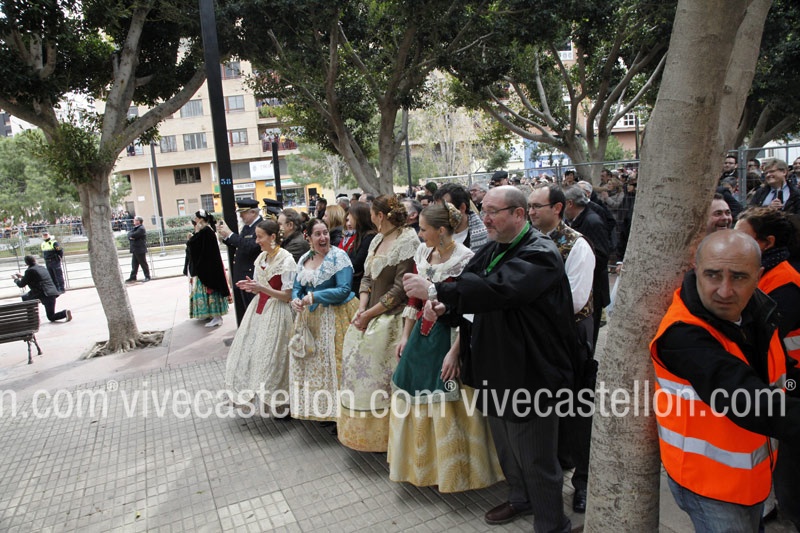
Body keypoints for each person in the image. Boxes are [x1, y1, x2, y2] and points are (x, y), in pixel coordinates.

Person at [404, 186, 579, 532]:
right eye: (482, 210)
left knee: (536, 456)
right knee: (507, 448)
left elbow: (501, 289)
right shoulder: (493, 248)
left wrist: (437, 290)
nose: (484, 219)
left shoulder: (540, 252)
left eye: (493, 212)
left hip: (530, 372)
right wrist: (446, 308)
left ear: (518, 213)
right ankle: (520, 497)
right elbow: (473, 291)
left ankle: (551, 523)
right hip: (494, 366)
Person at [651, 230, 800, 533]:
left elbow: (779, 376)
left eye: (739, 277)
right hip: (711, 487)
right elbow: (745, 398)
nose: (725, 290)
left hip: (750, 477)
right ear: (696, 270)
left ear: (758, 275)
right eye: (713, 275)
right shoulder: (683, 334)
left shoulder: (758, 310)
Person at [389, 202, 504, 492]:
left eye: (423, 229)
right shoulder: (422, 253)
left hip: (453, 336)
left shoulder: (466, 259)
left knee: (454, 401)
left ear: (441, 230)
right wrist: (405, 335)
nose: (419, 234)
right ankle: (424, 466)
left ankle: (459, 471)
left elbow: (469, 309)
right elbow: (413, 299)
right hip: (422, 336)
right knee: (415, 395)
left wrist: (456, 352)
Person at [528, 184, 596, 513]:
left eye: (536, 206)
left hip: (572, 335)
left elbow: (576, 299)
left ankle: (584, 482)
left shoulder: (577, 245)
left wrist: (528, 307)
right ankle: (559, 461)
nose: (530, 212)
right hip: (540, 335)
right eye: (528, 206)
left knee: (577, 408)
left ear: (557, 208)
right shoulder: (528, 241)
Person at [735, 207, 800, 529]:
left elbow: (760, 338)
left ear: (767, 242)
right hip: (778, 380)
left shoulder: (785, 284)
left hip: (792, 383)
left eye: (742, 236)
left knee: (788, 463)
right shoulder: (762, 275)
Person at [339, 195, 417, 452]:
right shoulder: (377, 239)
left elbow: (400, 290)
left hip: (394, 318)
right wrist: (361, 309)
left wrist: (370, 314)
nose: (371, 217)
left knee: (385, 382)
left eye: (373, 213)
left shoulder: (407, 241)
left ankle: (394, 438)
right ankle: (367, 435)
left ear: (380, 216)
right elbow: (366, 278)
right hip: (370, 314)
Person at [289, 219, 360, 421]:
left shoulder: (339, 256)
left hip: (337, 315)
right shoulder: (304, 259)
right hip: (311, 319)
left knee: (338, 365)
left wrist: (315, 296)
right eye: (318, 234)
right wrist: (296, 300)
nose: (323, 238)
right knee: (315, 365)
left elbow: (344, 289)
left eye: (326, 233)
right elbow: (297, 287)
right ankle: (324, 410)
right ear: (308, 237)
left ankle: (343, 414)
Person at [225, 219, 296, 416]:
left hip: (278, 312)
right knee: (251, 352)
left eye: (259, 237)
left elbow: (288, 296)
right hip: (258, 310)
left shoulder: (287, 260)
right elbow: (259, 287)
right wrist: (252, 287)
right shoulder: (261, 258)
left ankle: (282, 403)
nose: (256, 241)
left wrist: (261, 288)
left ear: (272, 237)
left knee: (274, 357)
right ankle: (258, 397)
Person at [565, 185, 610, 352]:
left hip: (593, 287)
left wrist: (581, 262)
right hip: (586, 285)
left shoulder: (592, 221)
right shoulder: (577, 220)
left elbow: (602, 255)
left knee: (590, 336)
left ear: (570, 203)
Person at [218, 199, 263, 317]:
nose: (241, 216)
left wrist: (230, 234)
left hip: (250, 276)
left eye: (243, 212)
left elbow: (251, 246)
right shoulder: (247, 227)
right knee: (245, 311)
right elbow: (241, 244)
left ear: (253, 212)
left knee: (252, 312)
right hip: (243, 276)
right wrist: (225, 237)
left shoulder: (260, 226)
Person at [186, 210, 231, 327]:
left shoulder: (206, 231)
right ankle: (212, 315)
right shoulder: (207, 231)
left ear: (201, 219)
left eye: (196, 218)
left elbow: (195, 246)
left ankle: (217, 317)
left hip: (209, 270)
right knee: (209, 291)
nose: (195, 221)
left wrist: (192, 237)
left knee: (212, 292)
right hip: (208, 268)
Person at [13, 255, 72, 322]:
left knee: (25, 298)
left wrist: (16, 279)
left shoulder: (29, 271)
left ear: (26, 263)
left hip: (43, 294)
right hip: (52, 293)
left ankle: (32, 318)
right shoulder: (42, 268)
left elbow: (21, 284)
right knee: (51, 316)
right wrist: (22, 276)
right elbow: (37, 278)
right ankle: (65, 313)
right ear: (35, 260)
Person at [433, 183, 488, 251]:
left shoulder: (486, 239)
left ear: (462, 208)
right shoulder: (436, 233)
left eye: (444, 209)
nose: (439, 215)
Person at [338, 201, 377, 291]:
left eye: (351, 217)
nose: (348, 222)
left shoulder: (369, 237)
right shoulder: (359, 235)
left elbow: (357, 263)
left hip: (360, 284)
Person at [126, 216, 150, 282]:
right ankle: (133, 277)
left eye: (135, 220)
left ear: (138, 221)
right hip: (135, 249)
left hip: (139, 249)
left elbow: (133, 235)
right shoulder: (136, 228)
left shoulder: (141, 228)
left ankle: (147, 276)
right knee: (134, 264)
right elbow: (129, 234)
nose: (133, 221)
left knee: (143, 263)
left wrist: (132, 236)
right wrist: (131, 237)